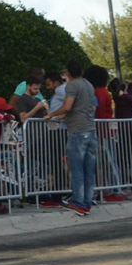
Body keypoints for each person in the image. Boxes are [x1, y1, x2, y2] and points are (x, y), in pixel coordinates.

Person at [45, 60, 96, 216]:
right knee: (89, 169)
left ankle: (77, 202)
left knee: (76, 169)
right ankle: (87, 202)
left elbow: (67, 106)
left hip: (77, 131)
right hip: (90, 130)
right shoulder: (89, 85)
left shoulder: (72, 86)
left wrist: (51, 114)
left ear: (68, 73)